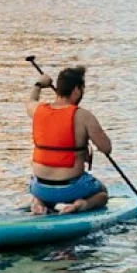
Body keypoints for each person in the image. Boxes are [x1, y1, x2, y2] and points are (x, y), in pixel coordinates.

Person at [26, 66, 111, 215]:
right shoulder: (84, 116)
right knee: (102, 193)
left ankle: (38, 203)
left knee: (43, 190)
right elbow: (106, 148)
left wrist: (39, 84)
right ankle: (80, 204)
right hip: (71, 188)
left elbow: (30, 101)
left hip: (39, 186)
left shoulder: (38, 110)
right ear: (77, 90)